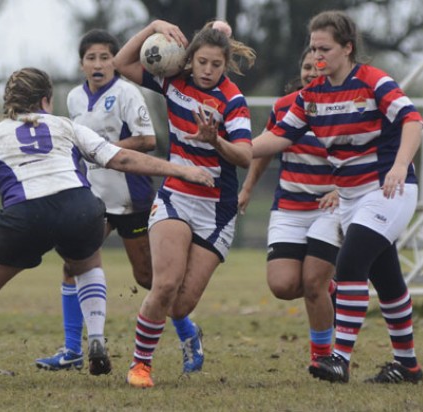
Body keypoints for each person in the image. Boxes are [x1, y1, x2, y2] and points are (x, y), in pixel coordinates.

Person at [0, 67, 213, 388]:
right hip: (79, 208)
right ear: (46, 100)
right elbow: (121, 159)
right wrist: (180, 171)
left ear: (9, 104)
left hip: (26, 215)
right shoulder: (66, 126)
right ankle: (96, 339)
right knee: (87, 263)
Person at [251, 10, 423, 384]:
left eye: (324, 48)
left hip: (387, 190)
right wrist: (223, 146)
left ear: (347, 48)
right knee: (388, 279)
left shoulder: (372, 81)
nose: (317, 57)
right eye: (313, 48)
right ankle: (408, 365)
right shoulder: (312, 96)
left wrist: (399, 166)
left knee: (349, 266)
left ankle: (339, 360)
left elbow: (413, 120)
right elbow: (275, 140)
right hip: (350, 199)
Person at [113, 19, 255, 388]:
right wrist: (153, 27)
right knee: (164, 286)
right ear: (189, 59)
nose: (208, 71)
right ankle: (140, 367)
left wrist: (216, 141)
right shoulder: (173, 81)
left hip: (217, 209)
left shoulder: (232, 100)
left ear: (225, 66)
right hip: (177, 195)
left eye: (216, 65)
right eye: (202, 62)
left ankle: (190, 333)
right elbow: (122, 63)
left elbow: (244, 156)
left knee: (180, 305)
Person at [35, 29, 176, 371]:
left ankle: (189, 334)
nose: (98, 64)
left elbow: (147, 140)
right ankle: (72, 351)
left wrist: (103, 151)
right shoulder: (74, 99)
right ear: (81, 63)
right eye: (91, 58)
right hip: (94, 199)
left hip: (133, 198)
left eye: (105, 57)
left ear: (115, 61)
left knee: (147, 278)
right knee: (73, 266)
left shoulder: (127, 94)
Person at [238, 47, 341, 367]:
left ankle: (321, 358)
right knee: (282, 286)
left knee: (312, 283)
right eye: (307, 66)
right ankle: (332, 288)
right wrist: (248, 186)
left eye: (319, 65)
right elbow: (266, 148)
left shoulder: (344, 107)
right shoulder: (284, 107)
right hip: (290, 206)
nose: (312, 71)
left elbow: (362, 153)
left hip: (331, 207)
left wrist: (342, 188)